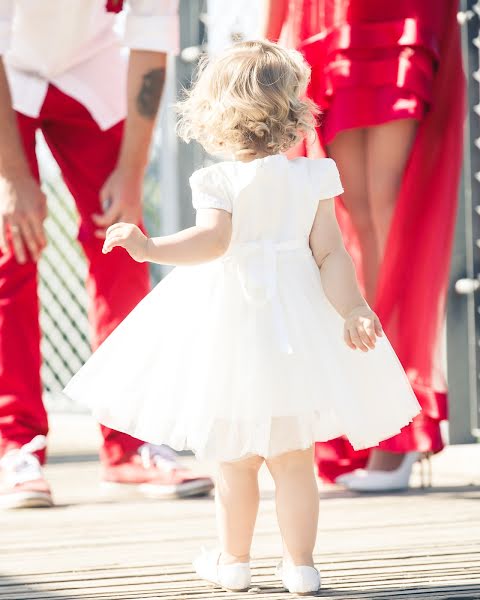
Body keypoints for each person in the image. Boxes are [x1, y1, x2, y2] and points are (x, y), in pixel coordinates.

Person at [64, 41, 420, 594]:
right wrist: (351, 308)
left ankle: (234, 562)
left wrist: (149, 246)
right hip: (296, 328)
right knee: (294, 456)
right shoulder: (313, 177)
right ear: (293, 110)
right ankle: (301, 566)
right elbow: (330, 253)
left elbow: (212, 242)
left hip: (234, 328)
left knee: (234, 459)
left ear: (216, 114)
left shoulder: (219, 181)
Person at [0, 0, 214, 510]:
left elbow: (149, 41)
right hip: (7, 72)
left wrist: (132, 174)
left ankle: (130, 444)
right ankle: (13, 444)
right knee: (12, 246)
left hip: (89, 71)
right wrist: (12, 178)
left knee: (123, 245)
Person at [262, 0, 465, 490]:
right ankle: (366, 415)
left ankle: (398, 421)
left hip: (400, 14)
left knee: (390, 207)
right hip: (329, 17)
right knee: (352, 213)